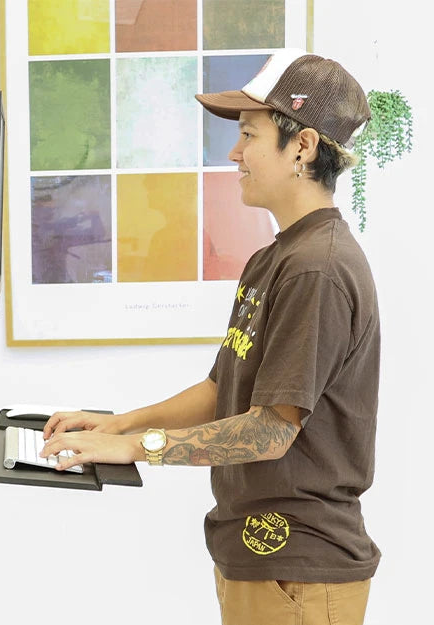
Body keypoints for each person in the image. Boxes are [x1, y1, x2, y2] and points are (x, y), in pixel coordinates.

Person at [39, 48, 381, 625]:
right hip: (258, 560)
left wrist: (139, 449)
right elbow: (222, 387)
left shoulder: (317, 268)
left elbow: (271, 431)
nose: (234, 152)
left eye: (249, 134)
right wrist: (120, 424)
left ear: (302, 147)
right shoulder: (276, 259)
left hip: (298, 566)